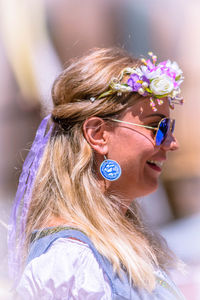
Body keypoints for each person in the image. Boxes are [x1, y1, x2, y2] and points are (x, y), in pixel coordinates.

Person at [9, 47, 186, 299]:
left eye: (170, 127)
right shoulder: (68, 261)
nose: (171, 142)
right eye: (157, 126)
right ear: (98, 135)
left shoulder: (116, 241)